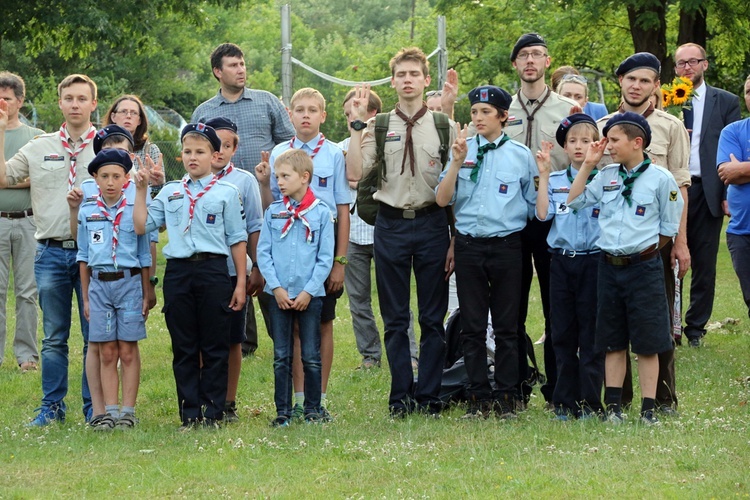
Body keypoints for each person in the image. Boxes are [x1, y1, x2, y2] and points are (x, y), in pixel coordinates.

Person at [350, 47, 455, 418]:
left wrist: (454, 237)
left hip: (431, 224)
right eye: (401, 75)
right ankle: (400, 396)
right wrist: (357, 125)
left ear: (426, 80)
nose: (407, 80)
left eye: (414, 74)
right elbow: (356, 173)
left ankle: (429, 396)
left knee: (431, 317)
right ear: (392, 81)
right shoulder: (380, 126)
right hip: (391, 223)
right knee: (395, 318)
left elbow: (453, 184)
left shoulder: (444, 125)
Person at [567, 112, 684, 425]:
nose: (607, 146)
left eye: (613, 140)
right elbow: (574, 201)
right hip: (608, 267)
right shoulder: (606, 176)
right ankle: (615, 407)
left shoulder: (662, 180)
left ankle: (648, 409)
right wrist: (589, 165)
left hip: (643, 268)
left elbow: (667, 228)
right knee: (611, 340)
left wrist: (639, 253)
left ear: (637, 142)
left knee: (648, 341)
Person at [132, 123, 247, 430]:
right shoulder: (170, 192)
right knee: (184, 346)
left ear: (214, 155)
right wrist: (141, 189)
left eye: (200, 151)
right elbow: (143, 226)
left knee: (214, 344)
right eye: (187, 152)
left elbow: (237, 239)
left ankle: (213, 412)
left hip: (213, 271)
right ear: (180, 156)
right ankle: (189, 413)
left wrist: (240, 283)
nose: (193, 157)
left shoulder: (227, 192)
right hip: (180, 273)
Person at [0, 74, 98, 426]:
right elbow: (4, 177)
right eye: (68, 98)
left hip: (93, 253)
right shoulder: (40, 146)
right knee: (54, 337)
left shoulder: (105, 146)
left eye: (81, 98)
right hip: (51, 253)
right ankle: (52, 408)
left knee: (93, 336)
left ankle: (94, 408)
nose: (74, 104)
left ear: (92, 104)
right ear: (60, 103)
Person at [435, 85, 538, 419]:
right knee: (472, 325)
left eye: (485, 112)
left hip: (508, 245)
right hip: (469, 245)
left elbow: (533, 207)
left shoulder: (520, 156)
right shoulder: (463, 150)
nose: (477, 118)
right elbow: (442, 199)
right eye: (474, 112)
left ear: (503, 117)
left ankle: (507, 396)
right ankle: (478, 396)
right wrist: (455, 162)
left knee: (508, 325)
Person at [597, 52, 690, 414]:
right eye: (630, 79)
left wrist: (679, 242)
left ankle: (662, 398)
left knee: (656, 321)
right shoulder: (605, 126)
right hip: (613, 243)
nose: (637, 86)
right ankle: (619, 400)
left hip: (655, 243)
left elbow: (681, 186)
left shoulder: (670, 126)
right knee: (614, 328)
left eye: (645, 80)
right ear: (620, 81)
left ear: (656, 87)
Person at [191, 42, 293, 358]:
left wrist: (277, 178)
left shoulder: (267, 102)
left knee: (266, 267)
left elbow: (289, 147)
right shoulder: (205, 112)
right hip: (220, 203)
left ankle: (284, 339)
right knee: (236, 269)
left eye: (242, 64)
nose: (241, 69)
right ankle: (243, 341)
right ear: (217, 72)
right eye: (233, 65)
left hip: (267, 198)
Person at [258, 87, 349, 421]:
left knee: (320, 325)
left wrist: (339, 262)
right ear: (290, 114)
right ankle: (295, 401)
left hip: (317, 256)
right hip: (285, 255)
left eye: (313, 110)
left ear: (323, 115)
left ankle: (317, 399)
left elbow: (342, 207)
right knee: (289, 336)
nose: (306, 115)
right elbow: (273, 210)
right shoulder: (281, 151)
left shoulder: (334, 154)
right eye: (299, 110)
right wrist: (268, 182)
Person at [506, 33, 579, 408]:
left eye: (537, 55)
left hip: (555, 217)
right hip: (515, 216)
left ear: (548, 62)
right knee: (512, 305)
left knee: (558, 306)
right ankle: (517, 385)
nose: (530, 61)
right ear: (515, 64)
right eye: (524, 56)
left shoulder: (567, 110)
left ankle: (559, 390)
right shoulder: (504, 111)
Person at [71, 149, 151, 431]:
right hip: (99, 286)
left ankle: (127, 412)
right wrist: (86, 297)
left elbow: (144, 255)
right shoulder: (88, 211)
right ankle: (108, 412)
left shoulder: (133, 210)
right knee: (106, 352)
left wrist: (146, 291)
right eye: (104, 176)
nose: (110, 182)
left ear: (126, 179)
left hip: (128, 284)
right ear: (95, 178)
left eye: (117, 176)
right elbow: (83, 256)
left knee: (128, 350)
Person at [340, 87, 419, 370]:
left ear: (373, 114)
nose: (352, 117)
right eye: (348, 113)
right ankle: (370, 355)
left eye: (358, 111)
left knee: (395, 298)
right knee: (358, 301)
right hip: (352, 235)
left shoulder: (391, 144)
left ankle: (409, 354)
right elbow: (349, 181)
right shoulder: (341, 149)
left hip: (385, 231)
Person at [257, 148, 334, 427]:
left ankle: (313, 410)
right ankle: (283, 412)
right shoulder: (273, 212)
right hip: (278, 294)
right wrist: (275, 288)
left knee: (311, 355)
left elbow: (325, 258)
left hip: (309, 295)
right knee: (281, 356)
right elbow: (263, 253)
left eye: (285, 176)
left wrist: (309, 291)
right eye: (277, 176)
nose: (279, 182)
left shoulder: (322, 213)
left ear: (304, 177)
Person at [535, 114, 604, 420]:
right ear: (563, 146)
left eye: (586, 140)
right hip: (562, 262)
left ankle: (590, 402)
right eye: (573, 141)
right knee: (561, 333)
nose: (579, 147)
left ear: (596, 145)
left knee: (591, 335)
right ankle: (564, 402)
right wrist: (545, 176)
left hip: (594, 261)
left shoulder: (604, 181)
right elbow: (541, 216)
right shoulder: (558, 181)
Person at [674, 43, 742, 347]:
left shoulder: (725, 101)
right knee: (667, 258)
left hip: (707, 187)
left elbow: (732, 152)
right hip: (672, 190)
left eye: (693, 62)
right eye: (681, 63)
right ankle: (668, 323)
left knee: (704, 261)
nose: (687, 68)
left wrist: (727, 191)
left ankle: (695, 327)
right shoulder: (665, 99)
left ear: (705, 65)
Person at [204, 116, 263, 422]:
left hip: (232, 271)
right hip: (201, 272)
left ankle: (228, 402)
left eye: (226, 145)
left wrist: (256, 268)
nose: (218, 151)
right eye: (213, 144)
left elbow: (254, 226)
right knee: (203, 339)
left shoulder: (244, 181)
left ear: (234, 149)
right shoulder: (190, 183)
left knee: (231, 340)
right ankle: (204, 399)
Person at [0, 72, 43, 373]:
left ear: (19, 101)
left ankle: (27, 355)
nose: (1, 103)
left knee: (27, 292)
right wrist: (19, 181)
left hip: (28, 223)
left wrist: (6, 181)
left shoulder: (35, 137)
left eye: (6, 98)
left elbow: (38, 180)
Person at [717, 75, 750, 317]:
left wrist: (743, 168)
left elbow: (739, 171)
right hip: (742, 231)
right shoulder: (733, 131)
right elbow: (728, 174)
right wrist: (737, 171)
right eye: (749, 92)